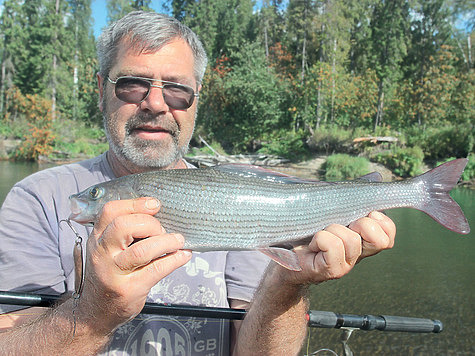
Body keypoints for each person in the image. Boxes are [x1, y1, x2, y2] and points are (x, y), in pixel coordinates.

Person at [0, 11, 395, 355]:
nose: (155, 103)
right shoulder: (38, 199)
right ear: (102, 90)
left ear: (196, 99)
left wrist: (289, 281)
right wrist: (94, 313)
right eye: (132, 84)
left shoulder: (245, 200)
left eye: (176, 89)